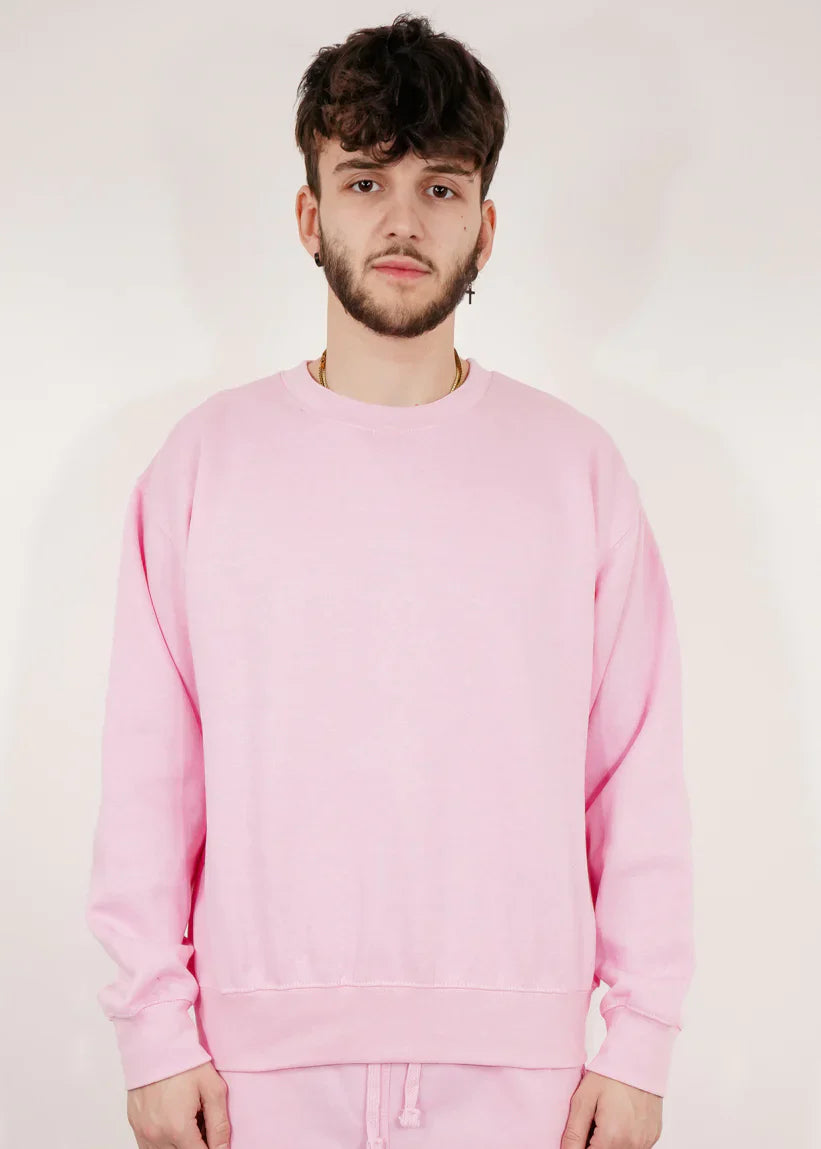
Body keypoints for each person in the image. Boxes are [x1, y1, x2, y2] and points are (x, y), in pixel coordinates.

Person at [84, 13, 695, 1149]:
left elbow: (633, 770)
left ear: (485, 226)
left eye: (440, 187)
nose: (403, 221)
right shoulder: (204, 465)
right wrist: (154, 1035)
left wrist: (640, 1041)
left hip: (528, 1078)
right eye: (365, 181)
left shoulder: (574, 470)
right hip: (251, 1075)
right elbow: (149, 776)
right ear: (309, 215)